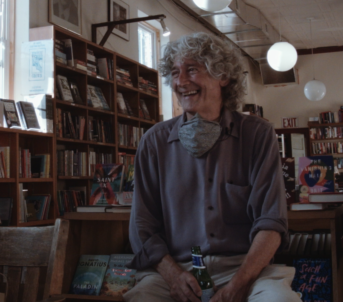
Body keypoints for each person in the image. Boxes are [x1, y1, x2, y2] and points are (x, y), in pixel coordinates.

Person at [125, 33, 300, 302]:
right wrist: (174, 277)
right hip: (177, 270)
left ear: (223, 77)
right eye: (174, 72)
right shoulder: (154, 142)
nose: (180, 81)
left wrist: (240, 283)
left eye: (192, 70)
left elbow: (272, 222)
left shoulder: (257, 134)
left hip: (246, 268)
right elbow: (142, 228)